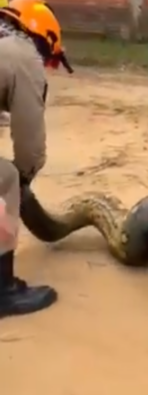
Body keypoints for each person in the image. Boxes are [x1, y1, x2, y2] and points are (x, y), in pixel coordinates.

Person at [0, 0, 68, 318]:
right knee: (6, 178)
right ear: (43, 37)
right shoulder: (23, 54)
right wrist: (24, 176)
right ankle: (3, 291)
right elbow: (30, 142)